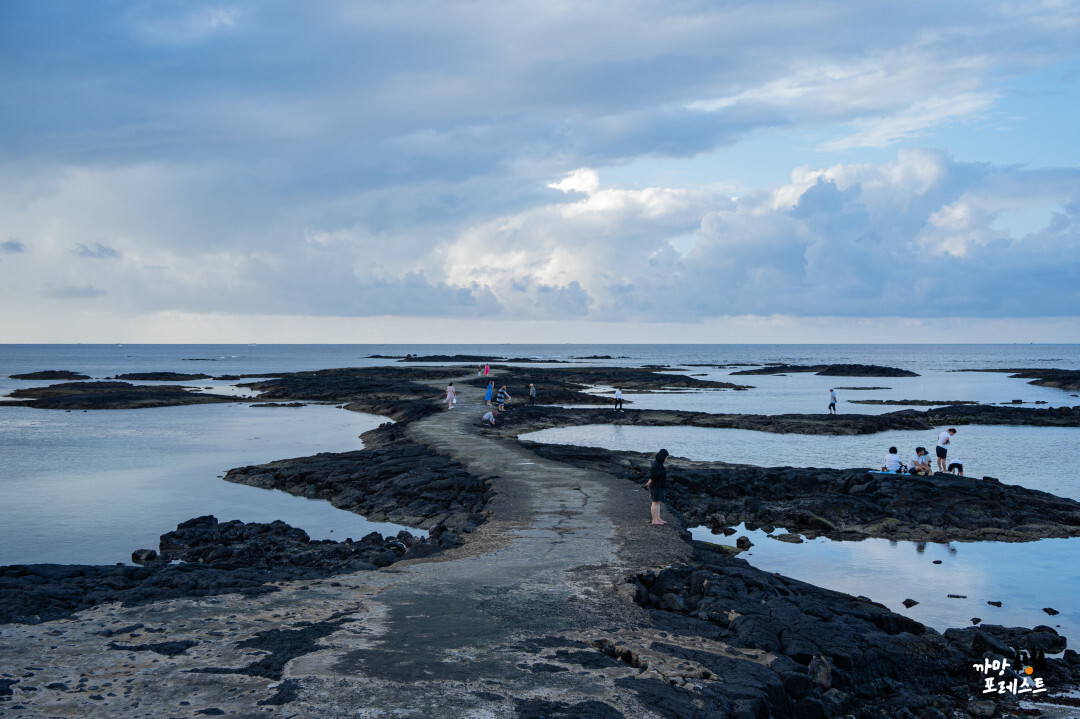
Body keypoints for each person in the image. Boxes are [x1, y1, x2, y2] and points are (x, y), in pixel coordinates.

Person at [644, 448, 669, 525]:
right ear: (662, 456)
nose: (667, 458)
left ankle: (658, 518)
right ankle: (654, 520)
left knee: (658, 502)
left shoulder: (659, 464)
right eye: (666, 456)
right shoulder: (656, 465)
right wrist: (648, 484)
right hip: (656, 486)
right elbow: (653, 477)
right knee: (655, 502)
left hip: (660, 486)